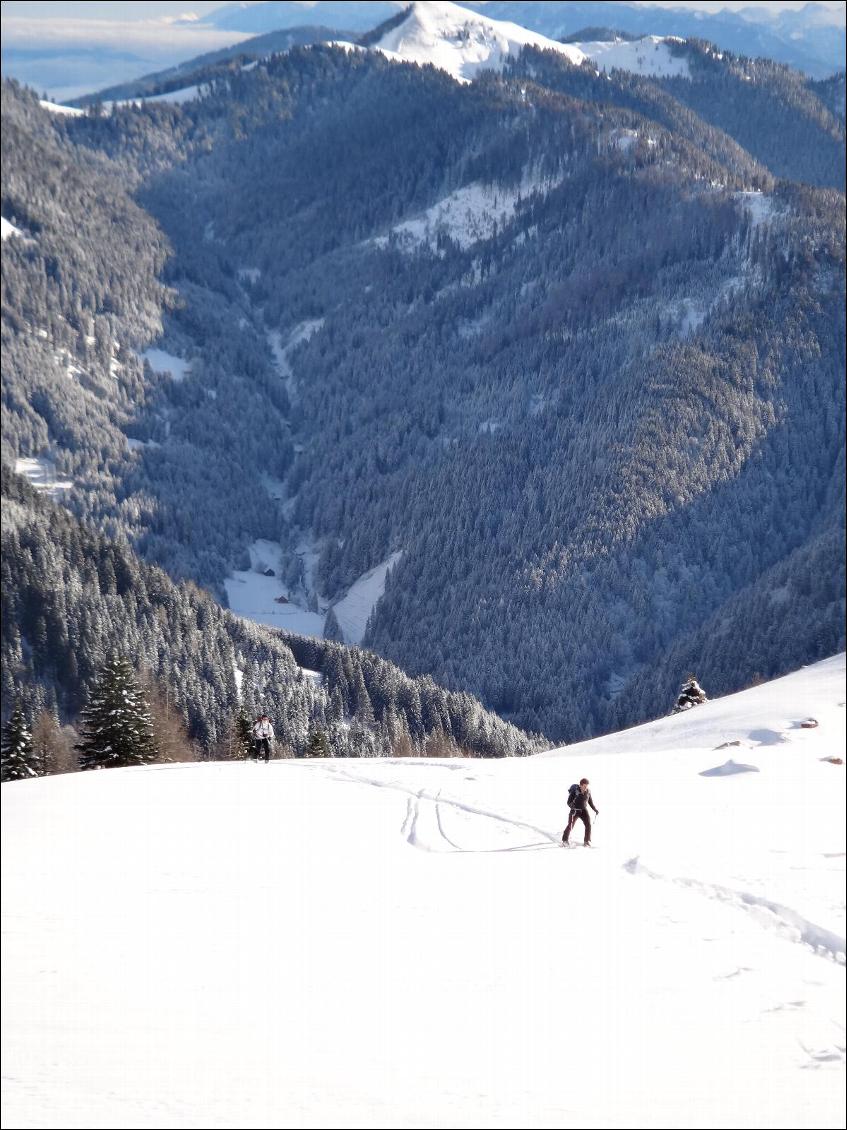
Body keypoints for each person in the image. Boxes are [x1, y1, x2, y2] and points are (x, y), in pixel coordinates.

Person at [562, 777, 599, 846]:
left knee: (588, 825)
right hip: (575, 811)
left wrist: (595, 809)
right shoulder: (575, 791)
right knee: (570, 826)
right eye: (584, 786)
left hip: (584, 811)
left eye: (587, 786)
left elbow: (590, 802)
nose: (586, 788)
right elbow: (568, 802)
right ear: (580, 785)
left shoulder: (588, 792)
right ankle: (565, 840)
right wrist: (572, 807)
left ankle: (587, 841)